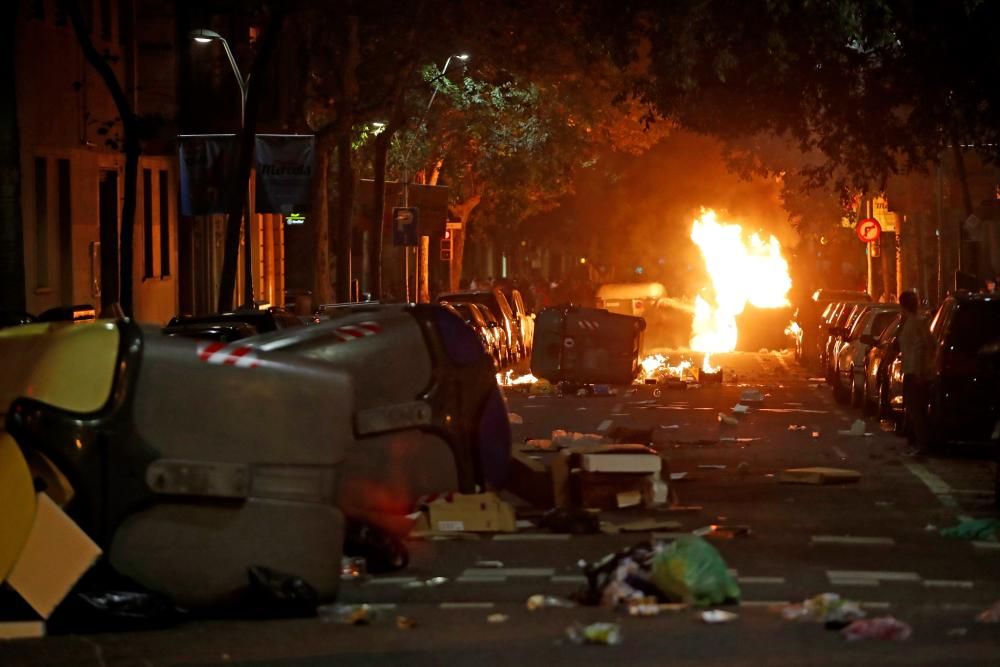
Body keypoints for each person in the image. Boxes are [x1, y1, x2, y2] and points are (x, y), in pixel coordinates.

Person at [897, 290, 935, 456]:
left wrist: (920, 371)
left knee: (917, 410)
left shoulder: (914, 324)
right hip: (914, 371)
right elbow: (931, 344)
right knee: (914, 410)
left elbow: (921, 347)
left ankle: (922, 445)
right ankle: (917, 443)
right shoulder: (917, 323)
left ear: (902, 306)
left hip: (915, 373)